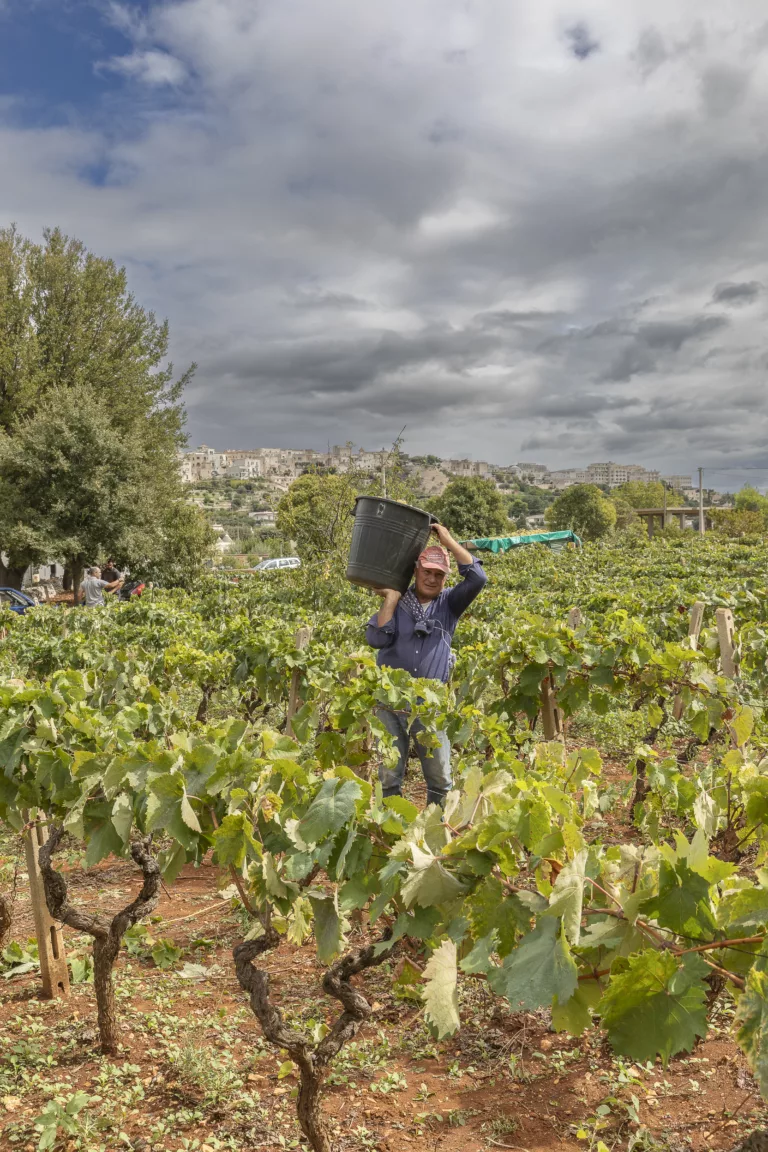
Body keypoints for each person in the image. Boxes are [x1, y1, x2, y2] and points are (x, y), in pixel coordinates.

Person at [365, 523, 487, 807]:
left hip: (430, 705)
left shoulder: (449, 604)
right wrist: (391, 599)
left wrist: (448, 540)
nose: (432, 579)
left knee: (440, 777)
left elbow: (478, 578)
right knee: (389, 774)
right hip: (390, 702)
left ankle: (437, 827)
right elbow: (376, 639)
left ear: (445, 578)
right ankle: (392, 825)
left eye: (439, 574)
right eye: (427, 572)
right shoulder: (399, 601)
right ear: (416, 571)